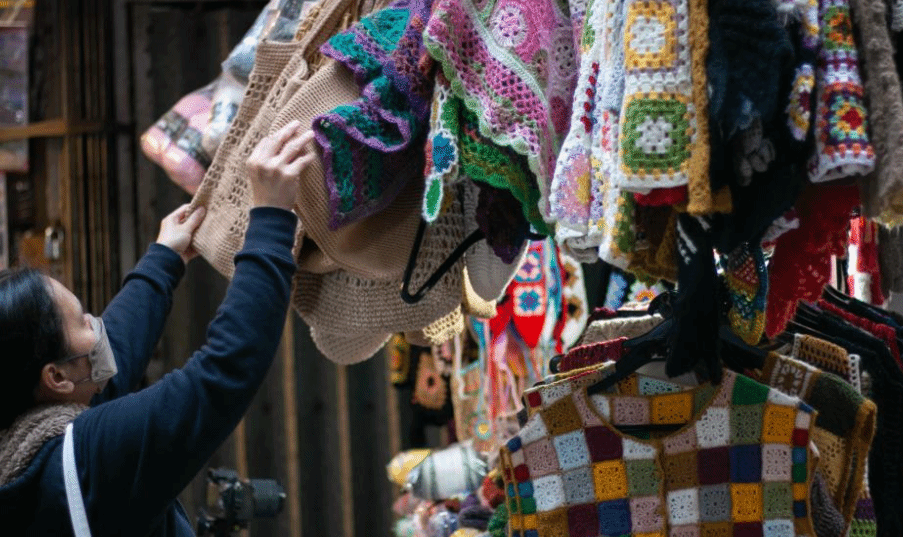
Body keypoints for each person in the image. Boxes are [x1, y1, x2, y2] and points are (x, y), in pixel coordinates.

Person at [0, 120, 316, 536]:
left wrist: (164, 259)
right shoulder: (87, 466)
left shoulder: (23, 444)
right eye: (82, 321)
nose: (98, 325)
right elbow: (220, 375)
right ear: (55, 376)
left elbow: (116, 355)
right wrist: (272, 216)